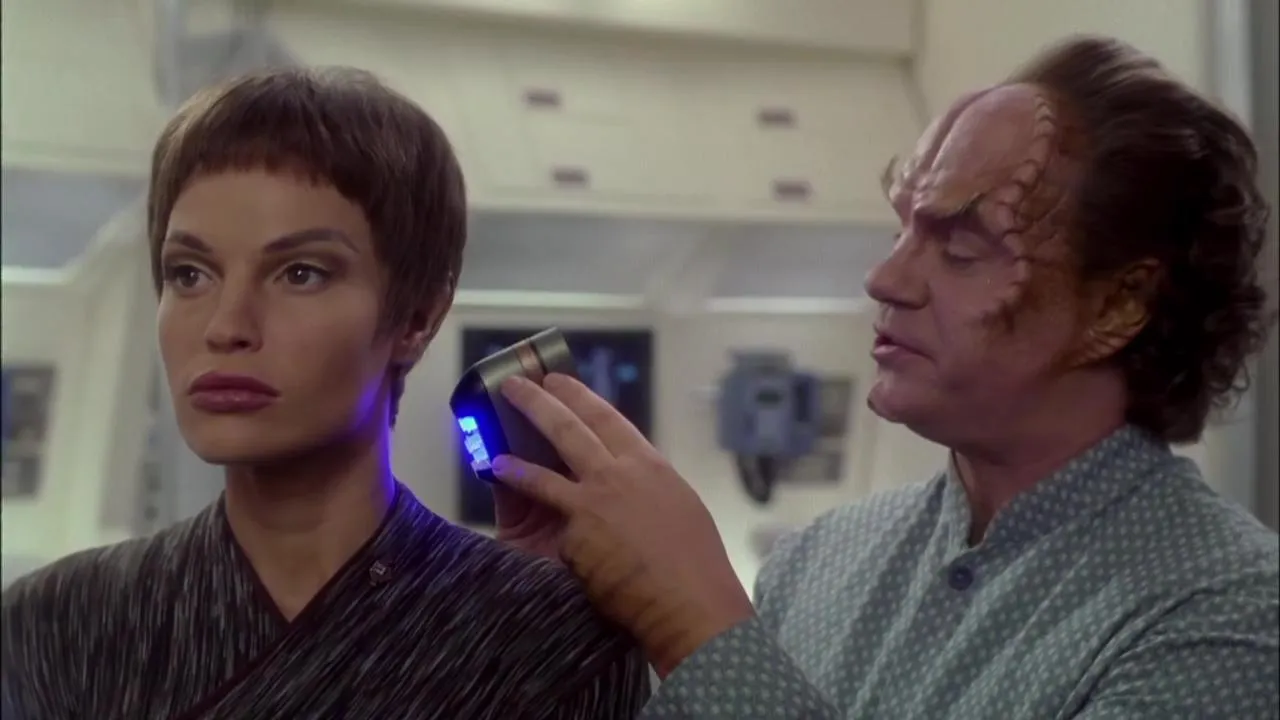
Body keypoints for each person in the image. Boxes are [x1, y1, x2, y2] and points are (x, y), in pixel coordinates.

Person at [489, 35, 1280, 718]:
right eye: (902, 230)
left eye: (961, 250)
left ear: (1118, 304)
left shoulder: (1228, 608)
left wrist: (695, 622)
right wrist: (575, 622)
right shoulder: (819, 559)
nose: (885, 278)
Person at [0, 67, 650, 719]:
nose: (226, 326)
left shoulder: (550, 643)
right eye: (190, 273)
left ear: (417, 318)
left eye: (301, 274)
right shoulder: (54, 628)